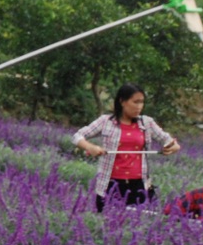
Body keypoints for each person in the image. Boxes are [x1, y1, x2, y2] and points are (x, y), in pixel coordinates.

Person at [72, 83, 181, 212]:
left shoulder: (147, 123)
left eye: (142, 102)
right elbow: (77, 136)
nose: (139, 107)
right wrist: (90, 147)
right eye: (135, 102)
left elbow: (171, 142)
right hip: (111, 184)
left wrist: (172, 147)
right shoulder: (105, 121)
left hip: (139, 185)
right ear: (122, 101)